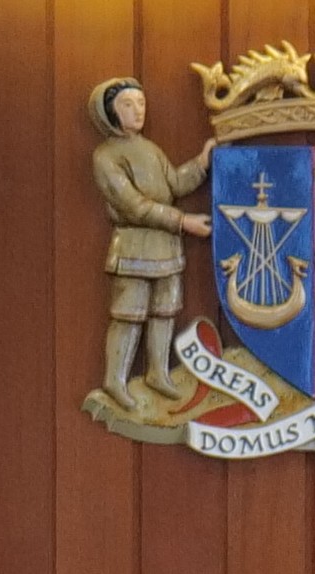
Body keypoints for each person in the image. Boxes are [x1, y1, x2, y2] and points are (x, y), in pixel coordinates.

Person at [84, 75, 210, 406]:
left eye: (141, 103)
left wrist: (201, 163)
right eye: (127, 104)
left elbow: (175, 186)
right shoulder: (106, 156)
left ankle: (158, 373)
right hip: (133, 247)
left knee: (165, 310)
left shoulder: (150, 149)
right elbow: (135, 207)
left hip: (166, 248)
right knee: (129, 313)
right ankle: (115, 380)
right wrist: (183, 222)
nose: (138, 110)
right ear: (109, 112)